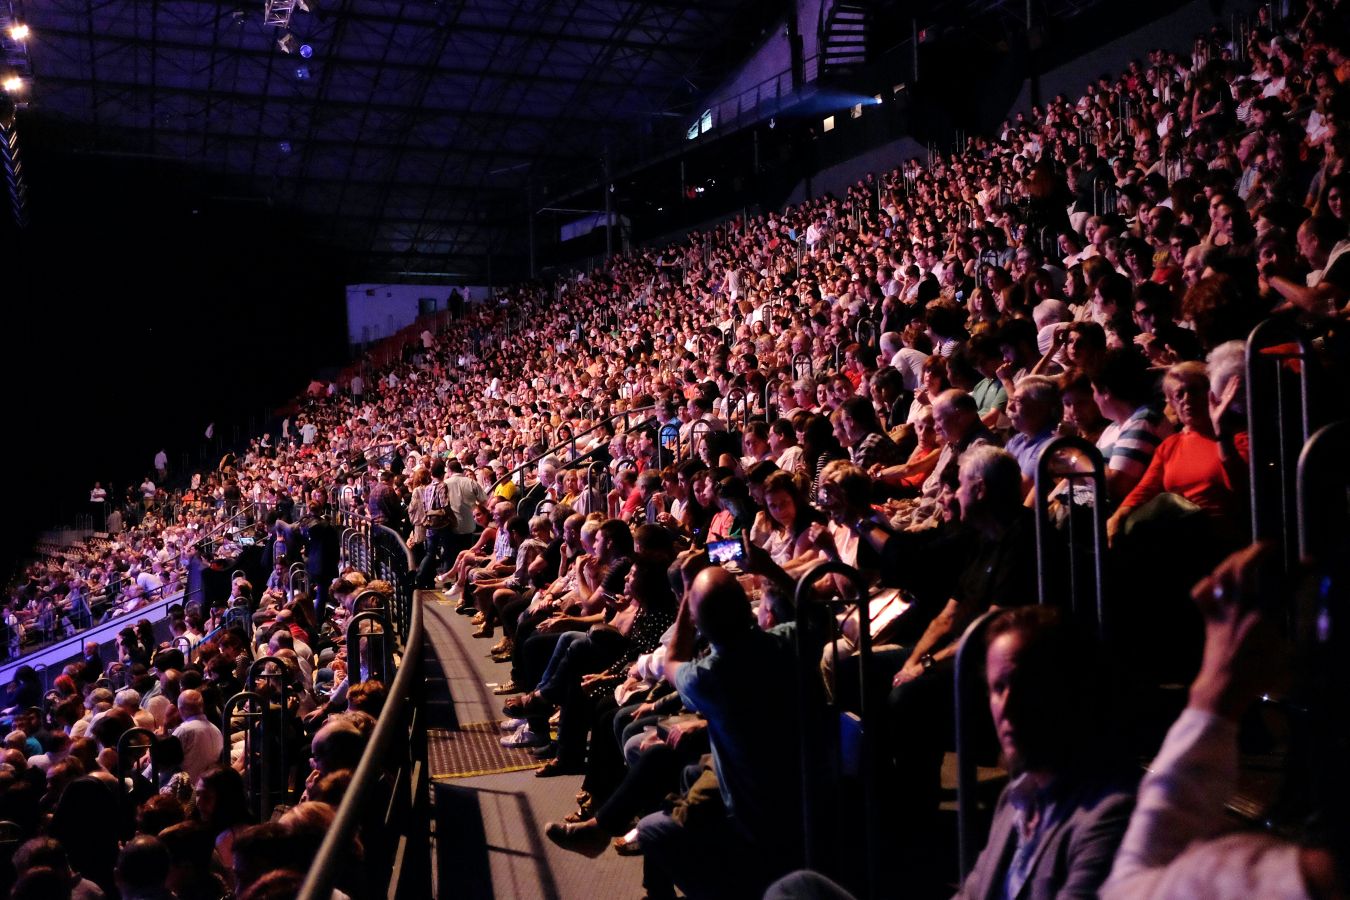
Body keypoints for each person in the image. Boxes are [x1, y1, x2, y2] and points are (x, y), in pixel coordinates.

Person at [636, 567, 805, 900]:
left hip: (754, 813)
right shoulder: (788, 641)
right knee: (691, 772)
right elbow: (813, 610)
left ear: (699, 623)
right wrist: (767, 565)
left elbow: (672, 662)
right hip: (804, 795)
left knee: (650, 830)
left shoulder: (706, 676)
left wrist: (687, 597)